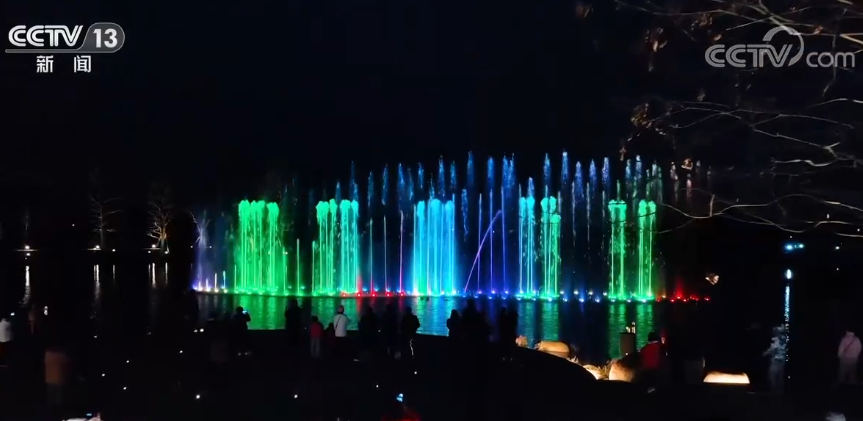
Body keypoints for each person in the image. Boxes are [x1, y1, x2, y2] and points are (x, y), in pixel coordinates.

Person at [45, 342, 71, 416]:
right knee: (58, 399)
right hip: (59, 379)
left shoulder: (47, 354)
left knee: (51, 398)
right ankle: (57, 413)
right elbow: (67, 362)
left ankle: (51, 412)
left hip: (49, 379)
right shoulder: (61, 355)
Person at [762, 326, 786, 392]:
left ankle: (774, 392)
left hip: (776, 360)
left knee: (772, 376)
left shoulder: (777, 339)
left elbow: (773, 348)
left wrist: (764, 354)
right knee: (779, 377)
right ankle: (778, 392)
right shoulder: (784, 339)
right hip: (782, 361)